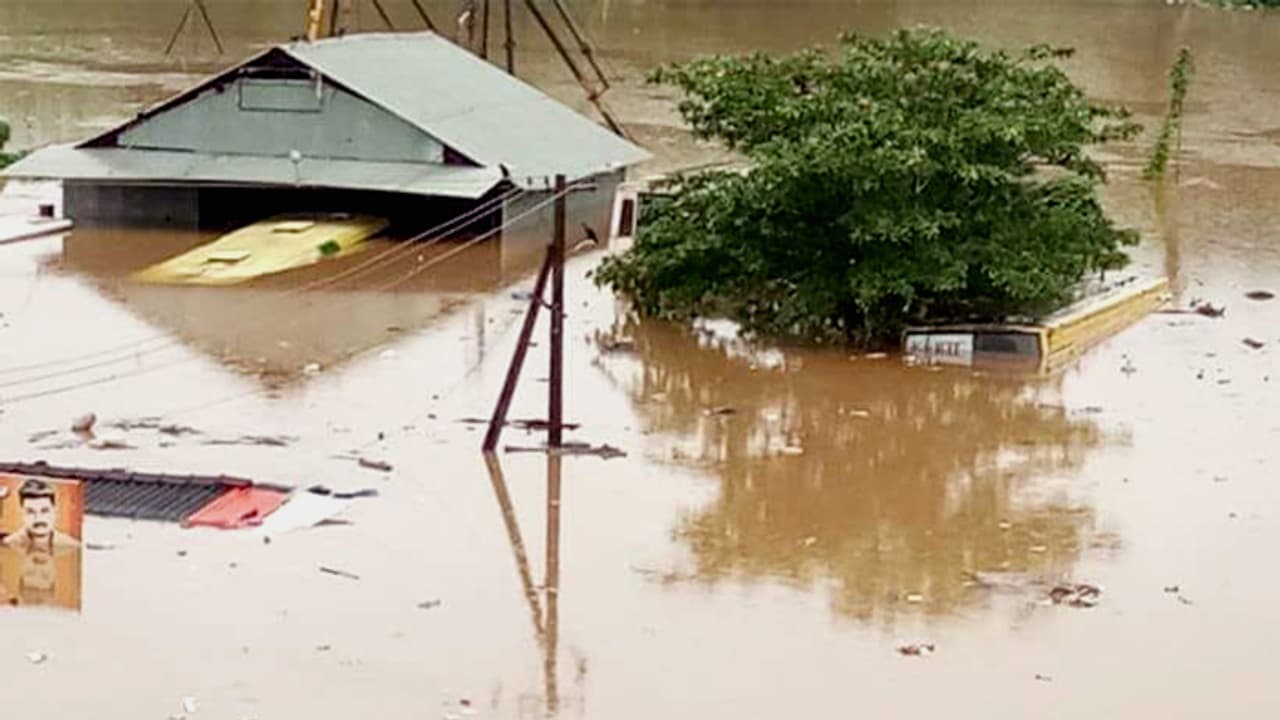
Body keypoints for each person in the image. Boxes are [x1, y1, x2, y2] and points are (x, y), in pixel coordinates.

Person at [3, 479, 78, 552]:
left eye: (44, 511)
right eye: (30, 512)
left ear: (54, 511)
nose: (38, 519)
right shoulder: (7, 544)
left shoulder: (73, 546)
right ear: (22, 513)